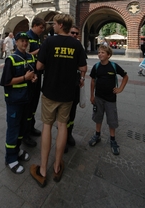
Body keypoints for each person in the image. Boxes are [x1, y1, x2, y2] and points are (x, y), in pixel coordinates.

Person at [30, 14, 87, 187]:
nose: (52, 26)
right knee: (62, 126)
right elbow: (83, 67)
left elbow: (39, 66)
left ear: (61, 25)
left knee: (47, 126)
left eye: (54, 23)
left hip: (50, 91)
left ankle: (42, 170)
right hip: (67, 93)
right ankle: (56, 166)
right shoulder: (76, 44)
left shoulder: (49, 42)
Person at [0, 32, 37, 174]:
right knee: (13, 129)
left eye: (26, 41)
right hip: (14, 100)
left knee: (22, 128)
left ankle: (16, 150)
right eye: (21, 41)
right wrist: (24, 77)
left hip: (26, 99)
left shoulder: (30, 57)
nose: (24, 43)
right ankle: (10, 158)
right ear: (16, 42)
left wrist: (32, 78)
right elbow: (6, 82)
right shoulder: (11, 59)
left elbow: (32, 74)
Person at [88, 45, 128, 155]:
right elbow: (92, 81)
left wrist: (120, 88)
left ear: (108, 55)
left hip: (110, 99)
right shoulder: (96, 67)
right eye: (99, 52)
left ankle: (113, 139)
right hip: (98, 97)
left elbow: (125, 76)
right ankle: (97, 135)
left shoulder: (114, 66)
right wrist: (92, 95)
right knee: (98, 117)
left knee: (112, 119)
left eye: (103, 53)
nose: (100, 54)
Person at [23, 17, 46, 147]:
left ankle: (31, 127)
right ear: (35, 25)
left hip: (37, 73)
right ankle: (25, 134)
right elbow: (25, 54)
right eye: (41, 28)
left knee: (34, 102)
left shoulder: (36, 37)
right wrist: (40, 50)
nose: (42, 30)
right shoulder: (27, 36)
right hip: (30, 74)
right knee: (28, 103)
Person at [65, 25, 87, 152]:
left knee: (72, 112)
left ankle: (69, 134)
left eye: (76, 33)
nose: (74, 35)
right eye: (72, 32)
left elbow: (83, 65)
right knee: (63, 114)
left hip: (74, 83)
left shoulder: (79, 46)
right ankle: (63, 137)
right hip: (63, 85)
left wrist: (82, 78)